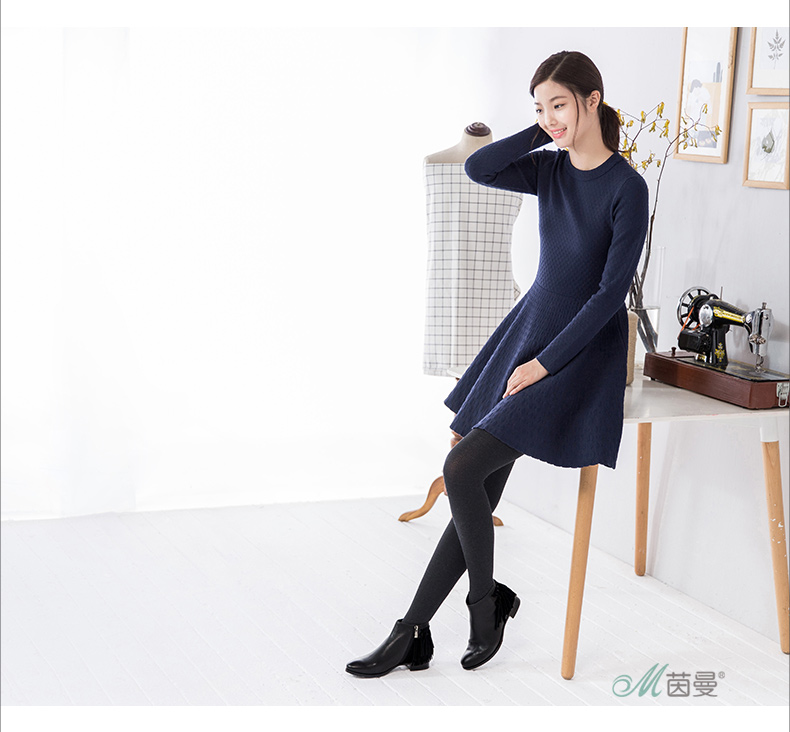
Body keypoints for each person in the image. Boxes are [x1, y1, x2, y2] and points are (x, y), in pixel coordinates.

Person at [345, 50, 650, 677]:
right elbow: (478, 166)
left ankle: (484, 605)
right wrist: (545, 131)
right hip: (528, 329)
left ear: (593, 99)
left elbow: (608, 297)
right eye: (539, 108)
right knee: (474, 482)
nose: (549, 118)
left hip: (576, 354)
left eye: (559, 104)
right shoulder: (550, 169)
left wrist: (545, 366)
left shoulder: (627, 187)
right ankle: (413, 631)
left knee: (461, 469)